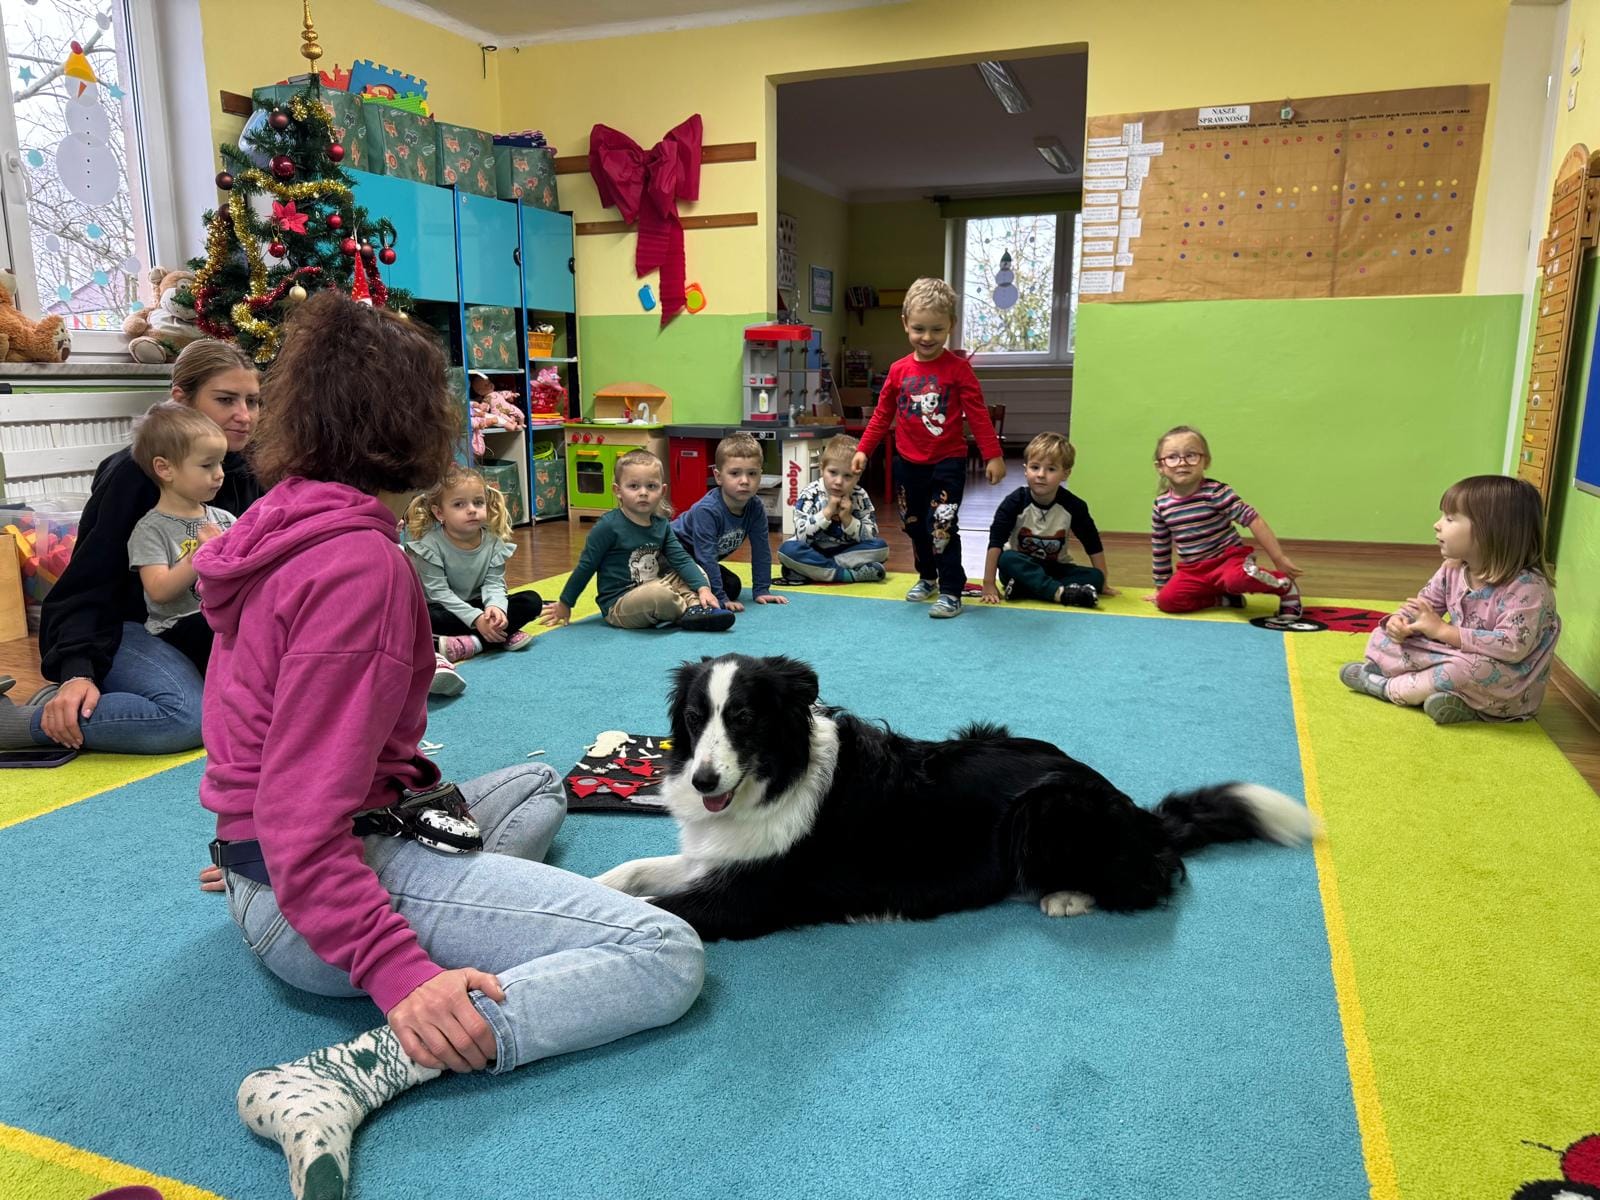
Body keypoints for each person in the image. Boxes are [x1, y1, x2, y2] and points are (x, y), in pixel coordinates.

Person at [196, 292, 703, 1200]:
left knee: (540, 781)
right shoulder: (358, 568)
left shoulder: (287, 522)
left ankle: (489, 914)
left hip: (279, 860)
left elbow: (264, 739)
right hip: (312, 888)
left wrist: (249, 840)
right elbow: (305, 811)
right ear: (412, 423)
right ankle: (357, 1070)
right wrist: (399, 974)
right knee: (662, 955)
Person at [0, 339, 260, 754]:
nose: (244, 416)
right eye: (226, 400)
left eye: (253, 401)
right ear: (181, 400)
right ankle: (26, 719)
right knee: (184, 720)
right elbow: (88, 584)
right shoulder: (131, 475)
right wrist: (77, 671)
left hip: (201, 626)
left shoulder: (246, 470)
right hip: (126, 628)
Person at [1340, 474, 1560, 724]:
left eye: (1450, 518)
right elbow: (1424, 606)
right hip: (1459, 653)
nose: (1437, 524)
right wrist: (1401, 624)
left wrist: (1443, 630)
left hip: (1506, 681)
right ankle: (1450, 699)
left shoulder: (1528, 587)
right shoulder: (1453, 569)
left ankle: (1383, 687)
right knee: (1381, 637)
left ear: (1490, 531)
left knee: (1461, 671)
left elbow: (1512, 647)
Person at [850, 277, 1005, 619]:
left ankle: (951, 589)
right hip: (908, 463)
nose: (927, 337)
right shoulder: (898, 370)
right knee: (914, 525)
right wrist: (864, 449)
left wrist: (993, 455)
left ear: (951, 325)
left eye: (937, 329)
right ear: (905, 323)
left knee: (943, 525)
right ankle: (927, 577)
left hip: (947, 462)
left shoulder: (959, 370)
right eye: (919, 328)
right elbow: (882, 414)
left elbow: (978, 415)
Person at [541, 450, 733, 631]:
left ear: (662, 490)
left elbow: (681, 559)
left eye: (651, 486)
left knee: (695, 570)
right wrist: (565, 603)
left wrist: (704, 589)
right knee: (659, 594)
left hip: (657, 586)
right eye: (634, 486)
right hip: (620, 603)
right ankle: (690, 611)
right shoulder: (608, 526)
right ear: (618, 490)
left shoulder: (661, 524)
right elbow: (586, 567)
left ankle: (697, 606)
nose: (643, 492)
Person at [402, 464, 541, 692]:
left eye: (478, 502)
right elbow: (439, 592)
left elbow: (494, 583)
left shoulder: (494, 541)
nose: (472, 510)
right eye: (459, 504)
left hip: (478, 606)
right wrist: (477, 620)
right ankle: (492, 638)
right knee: (420, 617)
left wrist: (497, 610)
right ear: (439, 513)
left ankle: (471, 643)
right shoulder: (429, 545)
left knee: (531, 601)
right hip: (443, 608)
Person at [125, 402, 236, 674]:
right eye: (207, 465)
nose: (220, 473)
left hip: (220, 618)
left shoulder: (224, 519)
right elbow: (159, 591)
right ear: (165, 469)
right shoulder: (150, 529)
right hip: (176, 628)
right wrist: (200, 556)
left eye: (220, 462)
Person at [1145, 425, 1302, 617]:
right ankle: (1225, 599)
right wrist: (1161, 587)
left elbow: (1254, 520)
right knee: (1167, 602)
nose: (1182, 463)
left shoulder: (1216, 492)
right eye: (1172, 457)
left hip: (1228, 561)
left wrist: (1279, 558)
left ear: (1206, 462)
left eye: (1191, 455)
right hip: (1194, 570)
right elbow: (1160, 547)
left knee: (1237, 580)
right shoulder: (1161, 505)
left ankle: (1284, 586)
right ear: (1160, 467)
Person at [980, 432, 1114, 608]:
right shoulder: (1014, 502)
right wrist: (988, 583)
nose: (1041, 474)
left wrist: (1103, 581)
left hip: (1055, 568)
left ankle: (1028, 589)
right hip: (1021, 568)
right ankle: (1060, 594)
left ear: (1065, 474)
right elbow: (995, 542)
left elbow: (1092, 543)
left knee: (1095, 577)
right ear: (1025, 470)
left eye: (1051, 469)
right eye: (1035, 467)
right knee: (1006, 558)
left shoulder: (1074, 506)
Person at [672, 431, 786, 611]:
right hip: (672, 558)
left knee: (732, 585)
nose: (745, 481)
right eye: (735, 473)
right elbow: (706, 556)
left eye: (752, 473)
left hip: (698, 561)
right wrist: (720, 597)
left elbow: (761, 550)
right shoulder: (707, 510)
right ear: (718, 476)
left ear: (760, 476)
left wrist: (761, 589)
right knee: (718, 591)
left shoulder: (755, 507)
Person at [777, 434, 890, 584]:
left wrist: (848, 520)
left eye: (848, 476)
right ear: (822, 468)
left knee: (881, 548)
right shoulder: (810, 492)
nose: (838, 482)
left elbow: (870, 537)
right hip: (814, 550)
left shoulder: (860, 495)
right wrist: (827, 512)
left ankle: (814, 570)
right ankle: (847, 575)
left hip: (847, 552)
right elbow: (801, 535)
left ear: (858, 477)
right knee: (787, 551)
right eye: (833, 473)